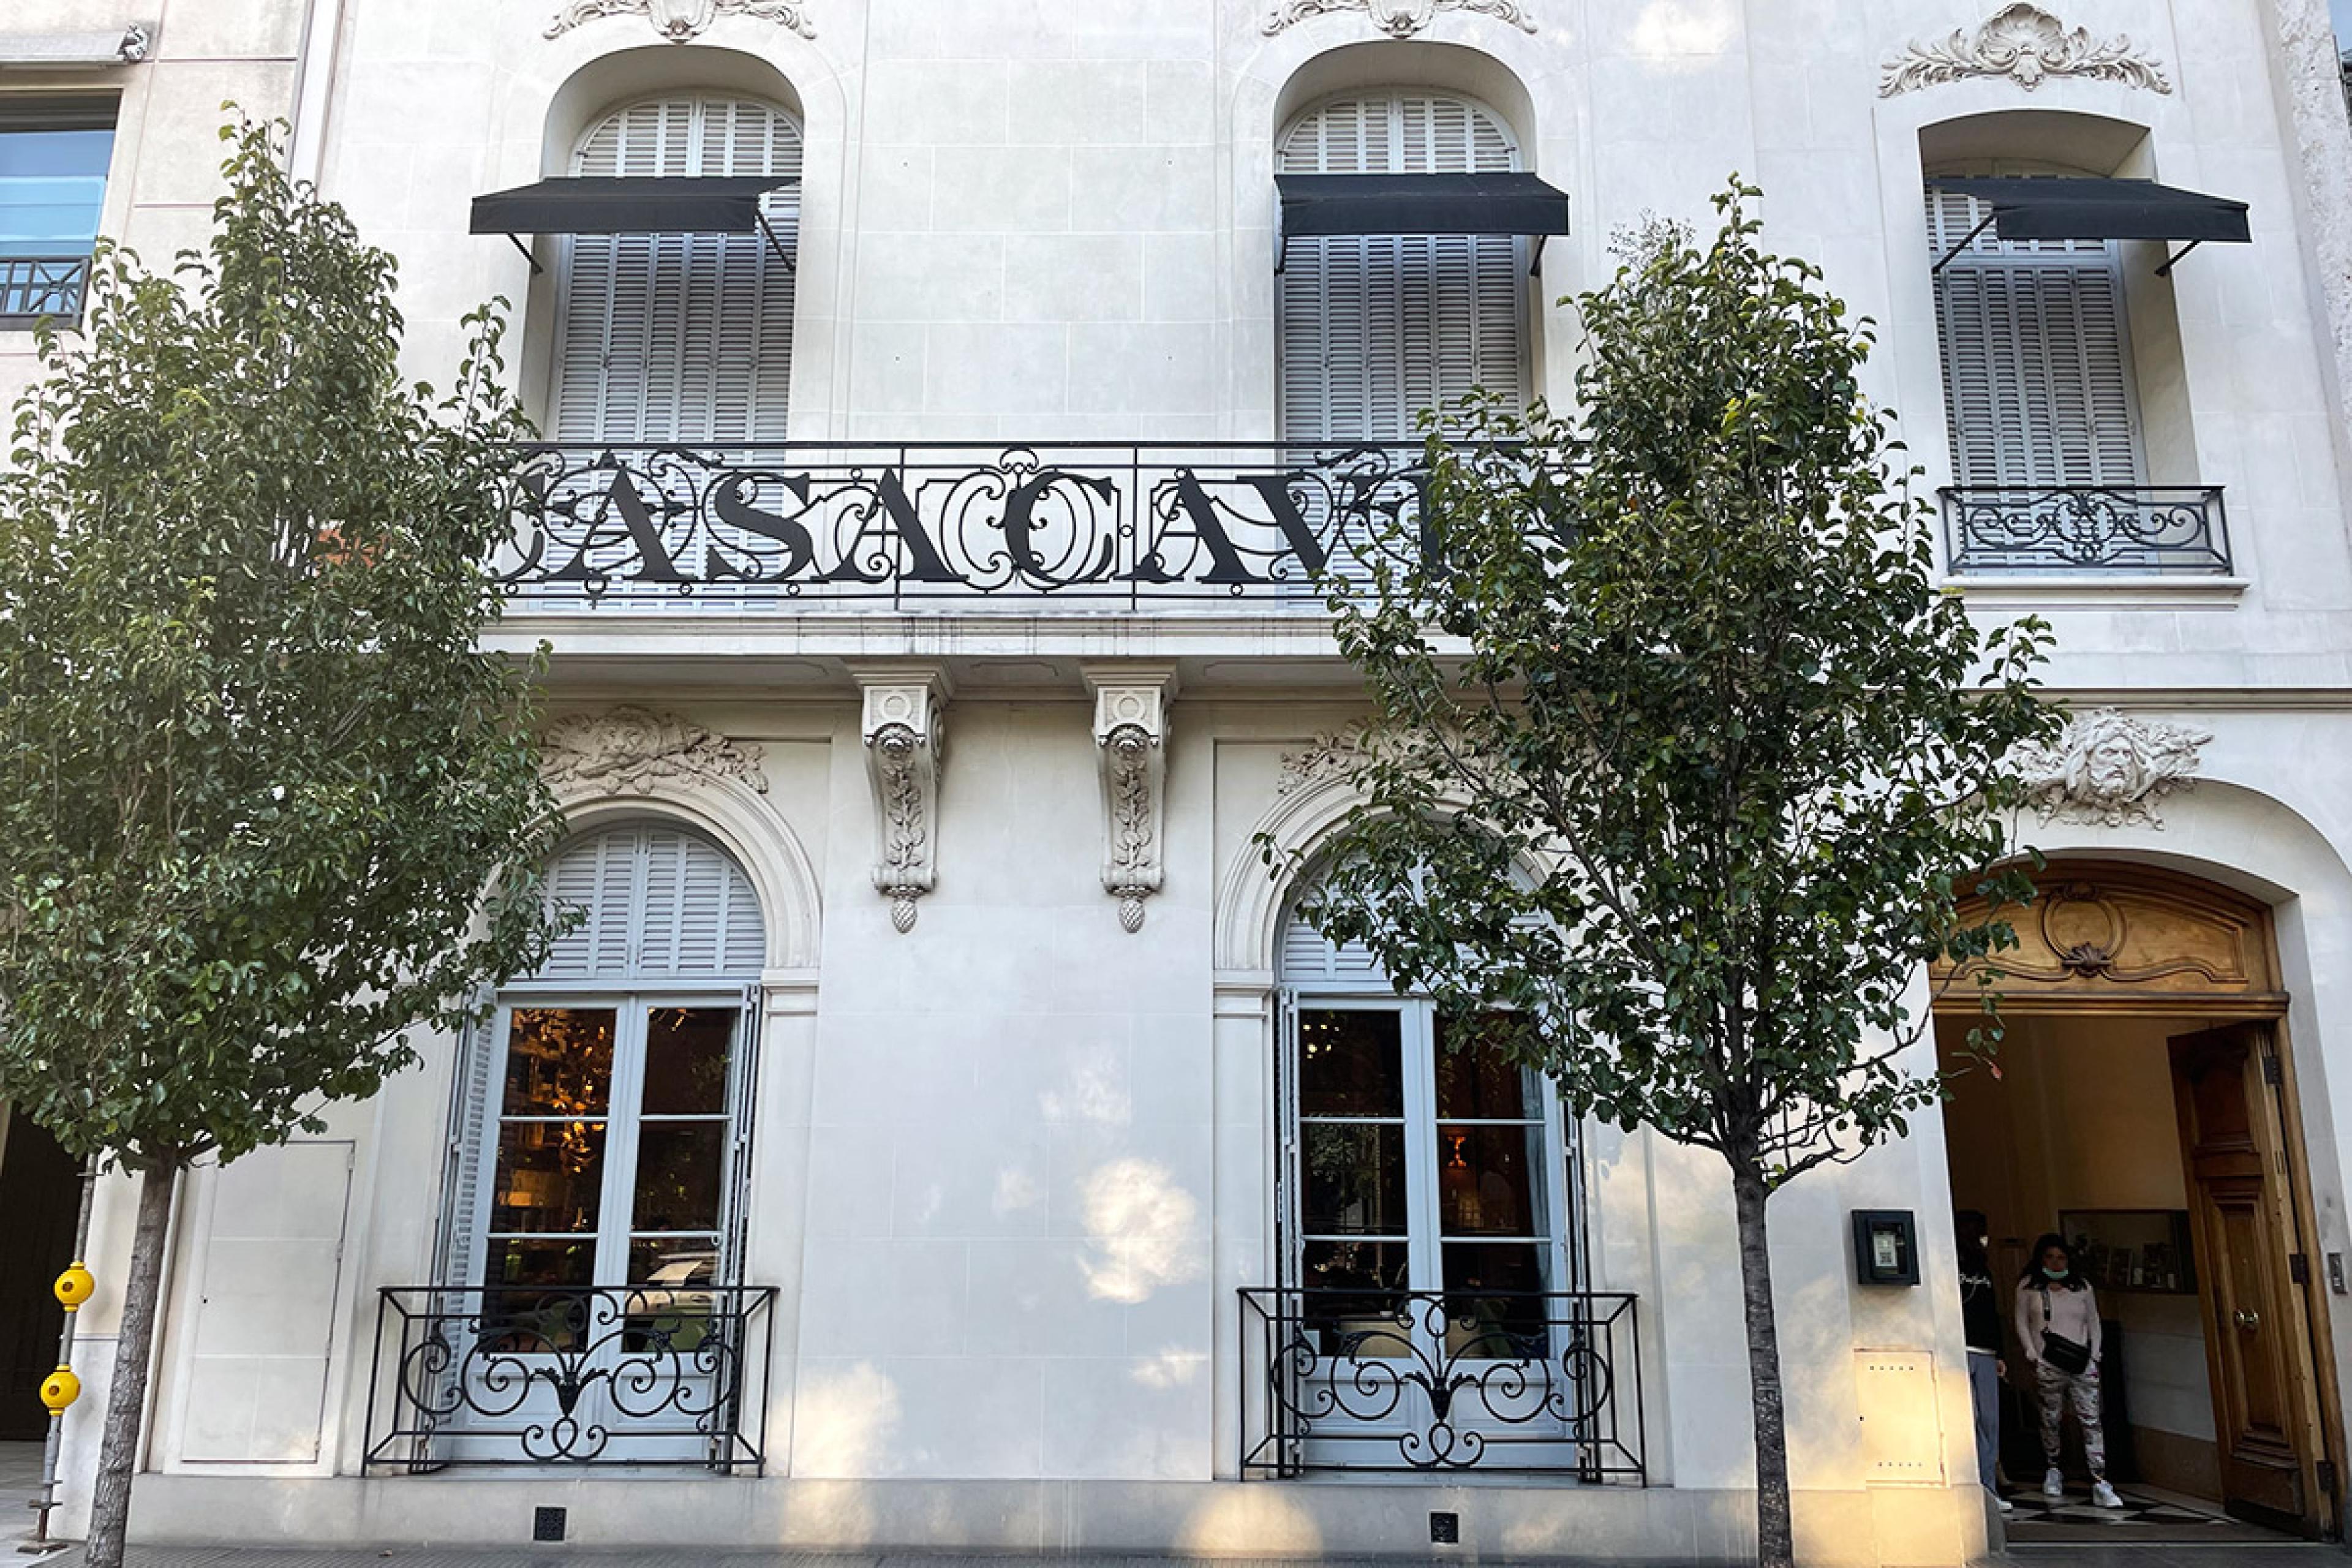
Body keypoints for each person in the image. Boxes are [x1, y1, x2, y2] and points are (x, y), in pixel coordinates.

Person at [2013, 1232, 2123, 1509]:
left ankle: (2099, 1479)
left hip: (2081, 1362)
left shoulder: (2082, 1287)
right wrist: (2031, 1352)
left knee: (2091, 1421)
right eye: (2050, 1257)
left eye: (2061, 1258)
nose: (2056, 1263)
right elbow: (2021, 1321)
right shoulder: (2029, 1287)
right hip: (2048, 1363)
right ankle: (2053, 1469)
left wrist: (2095, 1353)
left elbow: (2094, 1321)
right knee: (2050, 1419)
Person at [1954, 1211, 2010, 1513]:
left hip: (1986, 1350)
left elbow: (1992, 1310)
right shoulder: (1951, 1264)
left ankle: (1989, 1485)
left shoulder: (1984, 1270)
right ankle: (1979, 1484)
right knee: (1971, 1418)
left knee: (1990, 1421)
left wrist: (2000, 1353)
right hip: (1961, 1348)